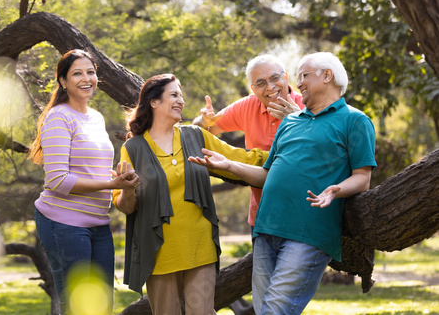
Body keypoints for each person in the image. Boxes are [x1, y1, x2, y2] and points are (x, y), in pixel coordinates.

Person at [189, 52, 377, 314]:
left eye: (303, 76)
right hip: (266, 226)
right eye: (298, 77)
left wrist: (336, 189)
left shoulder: (354, 120)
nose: (298, 84)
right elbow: (268, 174)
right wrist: (229, 165)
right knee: (264, 307)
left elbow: (362, 177)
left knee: (275, 309)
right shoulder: (290, 121)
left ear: (327, 76)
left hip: (307, 231)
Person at [112, 73, 267, 315]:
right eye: (174, 94)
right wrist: (128, 189)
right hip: (159, 249)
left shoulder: (196, 135)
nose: (180, 100)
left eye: (181, 95)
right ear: (154, 102)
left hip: (199, 244)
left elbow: (240, 159)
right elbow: (126, 207)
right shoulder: (133, 148)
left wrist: (285, 153)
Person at [28, 49, 140, 314]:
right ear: (63, 82)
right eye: (77, 73)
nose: (86, 78)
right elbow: (57, 180)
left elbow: (93, 169)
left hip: (98, 223)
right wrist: (111, 185)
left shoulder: (96, 118)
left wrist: (120, 179)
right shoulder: (59, 117)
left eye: (91, 72)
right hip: (63, 223)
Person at [193, 54, 304, 231]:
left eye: (275, 78)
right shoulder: (247, 106)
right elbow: (202, 131)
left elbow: (322, 153)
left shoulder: (307, 106)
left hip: (304, 213)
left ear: (286, 77)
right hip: (263, 215)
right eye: (261, 83)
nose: (270, 87)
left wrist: (295, 121)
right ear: (253, 89)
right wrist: (202, 121)